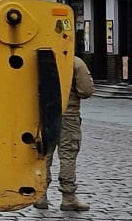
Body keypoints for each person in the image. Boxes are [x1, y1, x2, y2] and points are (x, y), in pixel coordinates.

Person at [36, 57, 95, 213]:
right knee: (68, 155)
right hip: (68, 115)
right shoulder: (74, 62)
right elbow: (85, 91)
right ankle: (68, 197)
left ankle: (40, 195)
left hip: (43, 115)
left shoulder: (37, 57)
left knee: (44, 155)